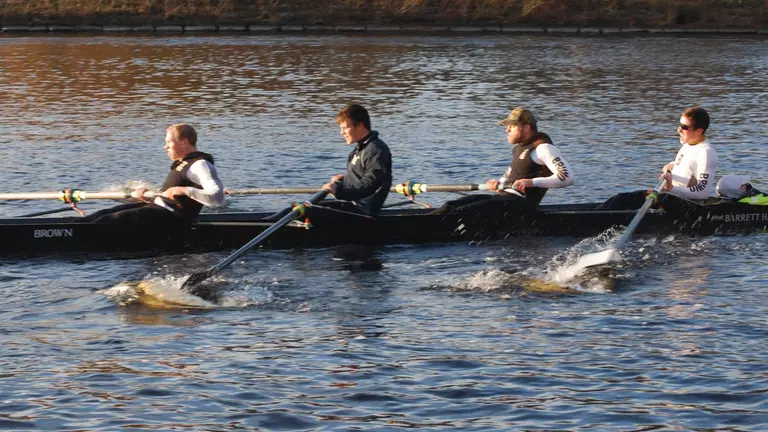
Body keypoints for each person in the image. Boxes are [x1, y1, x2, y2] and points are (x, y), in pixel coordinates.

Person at [430, 106, 574, 214]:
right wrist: (498, 183)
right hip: (505, 198)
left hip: (521, 204)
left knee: (461, 212)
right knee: (449, 206)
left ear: (526, 127)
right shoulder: (519, 148)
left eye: (512, 126)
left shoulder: (543, 148)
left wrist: (531, 182)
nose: (507, 130)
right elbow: (510, 175)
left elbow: (567, 178)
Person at [80, 123, 225, 223]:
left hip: (173, 219)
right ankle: (73, 226)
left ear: (184, 142)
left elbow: (217, 197)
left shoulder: (200, 164)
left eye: (169, 142)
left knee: (106, 221)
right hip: (159, 209)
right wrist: (149, 196)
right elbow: (172, 198)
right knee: (100, 215)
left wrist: (184, 190)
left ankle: (70, 235)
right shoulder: (183, 163)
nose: (165, 147)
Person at [600, 106, 716, 209]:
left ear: (699, 131)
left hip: (685, 205)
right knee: (618, 200)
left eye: (684, 127)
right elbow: (690, 168)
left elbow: (703, 192)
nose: (678, 130)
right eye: (679, 124)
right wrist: (673, 166)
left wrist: (671, 188)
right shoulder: (688, 144)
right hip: (670, 197)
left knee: (622, 200)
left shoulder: (706, 152)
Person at [320, 104, 393, 216]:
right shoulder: (360, 149)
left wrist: (338, 191)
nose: (341, 132)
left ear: (360, 125)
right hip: (352, 204)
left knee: (308, 211)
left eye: (345, 128)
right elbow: (362, 176)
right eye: (341, 128)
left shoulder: (377, 150)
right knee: (300, 207)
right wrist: (345, 179)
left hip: (363, 211)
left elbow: (370, 184)